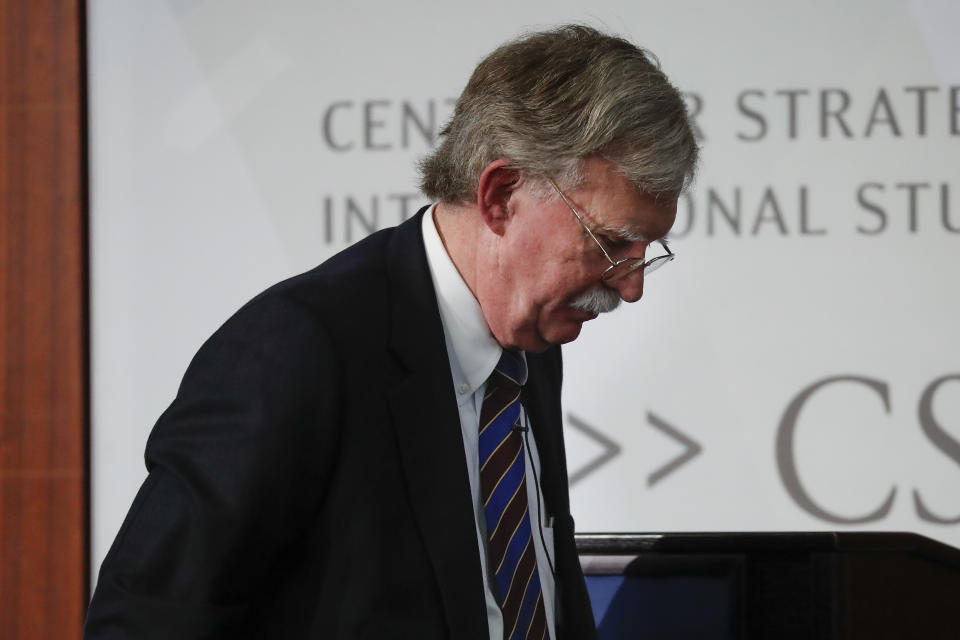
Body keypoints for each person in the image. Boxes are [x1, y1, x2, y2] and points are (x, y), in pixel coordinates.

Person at [84, 24, 697, 640]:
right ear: (501, 195)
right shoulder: (298, 350)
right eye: (612, 243)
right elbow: (142, 622)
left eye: (647, 250)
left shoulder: (528, 346)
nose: (631, 285)